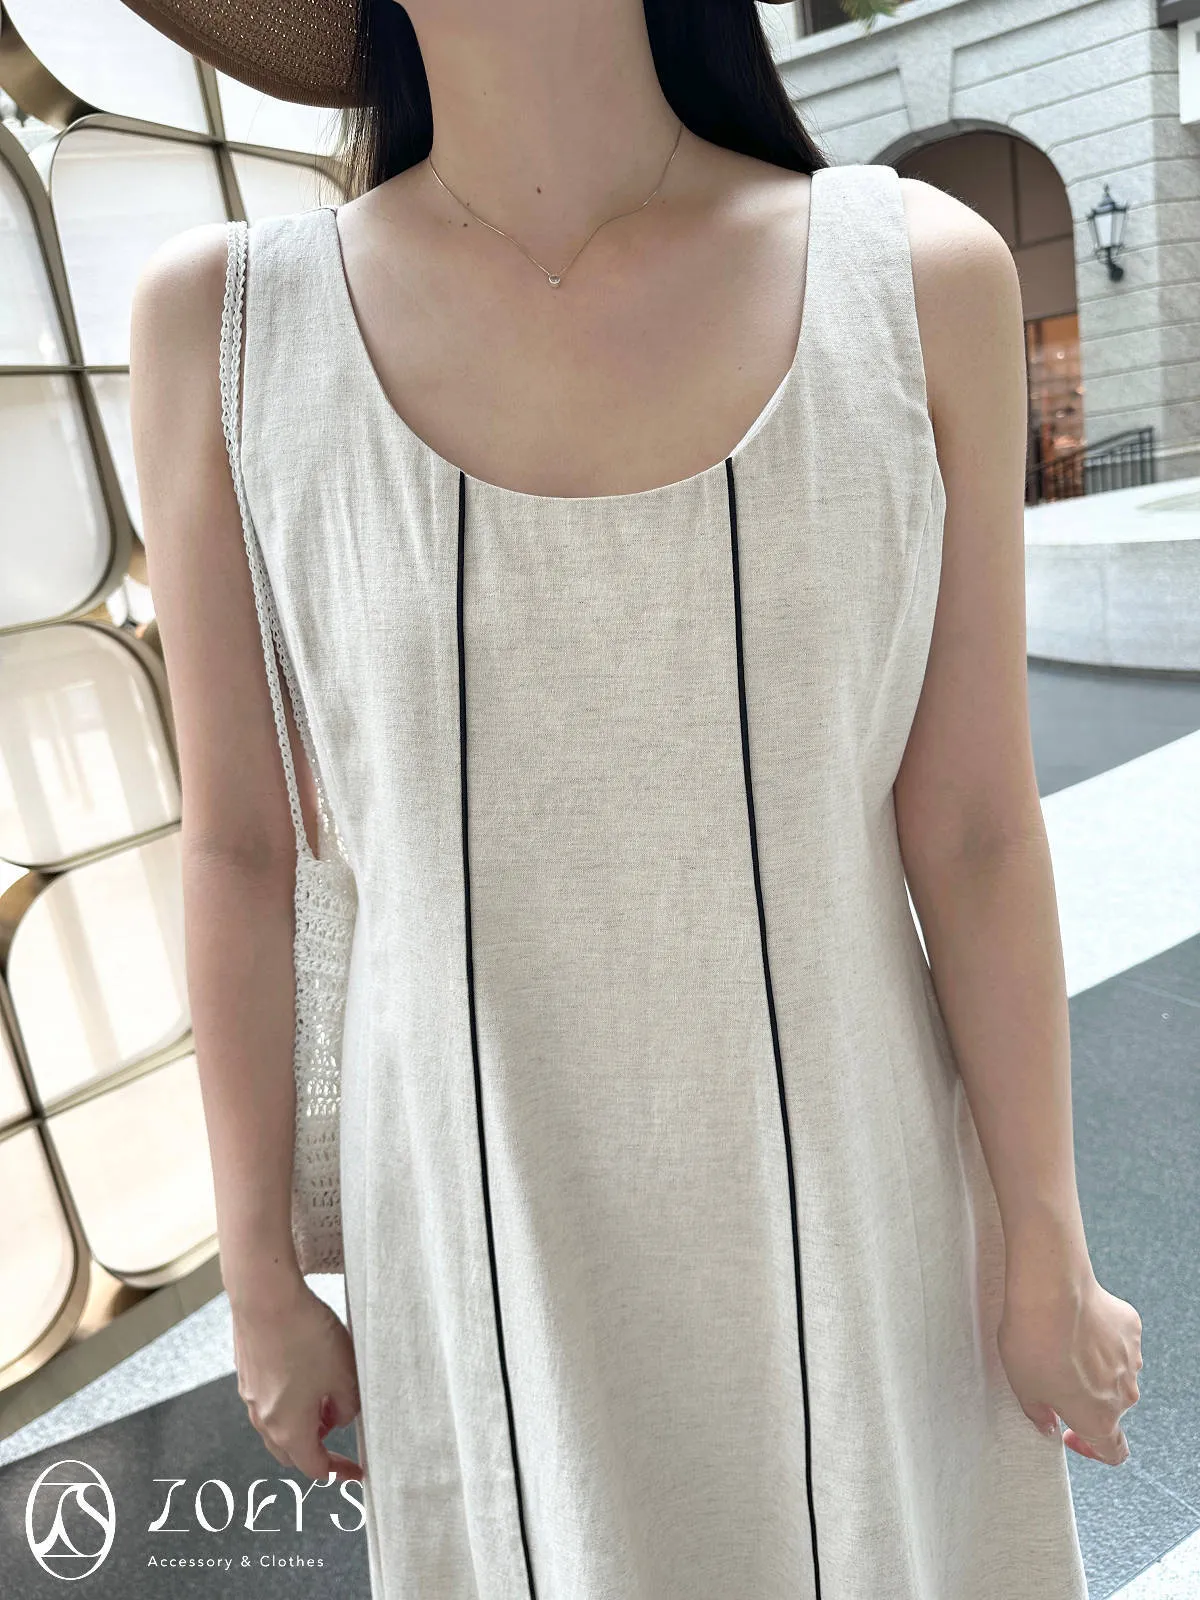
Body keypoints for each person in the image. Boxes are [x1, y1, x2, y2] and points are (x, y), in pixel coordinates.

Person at [127, 0, 1143, 1595]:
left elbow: (972, 829)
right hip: (476, 1243)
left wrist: (1043, 1237)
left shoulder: (915, 280)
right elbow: (242, 849)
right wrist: (260, 1271)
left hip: (863, 1219)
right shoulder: (233, 327)